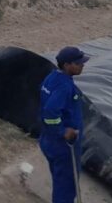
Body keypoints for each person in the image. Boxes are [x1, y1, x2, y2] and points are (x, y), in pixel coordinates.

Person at [39, 46, 89, 203]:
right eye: (78, 63)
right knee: (67, 186)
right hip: (63, 146)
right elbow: (50, 111)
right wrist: (63, 131)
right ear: (67, 65)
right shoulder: (64, 86)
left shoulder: (52, 77)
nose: (82, 65)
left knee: (60, 180)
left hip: (48, 140)